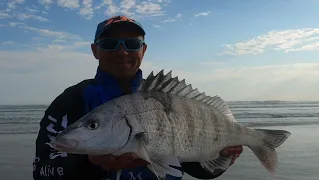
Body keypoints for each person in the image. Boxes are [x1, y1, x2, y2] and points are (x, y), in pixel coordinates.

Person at [32, 15, 243, 180]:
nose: (122, 52)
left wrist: (220, 158)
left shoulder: (167, 98)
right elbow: (42, 171)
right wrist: (90, 164)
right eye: (109, 44)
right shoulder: (71, 101)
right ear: (95, 50)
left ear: (144, 50)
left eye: (132, 44)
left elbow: (194, 167)